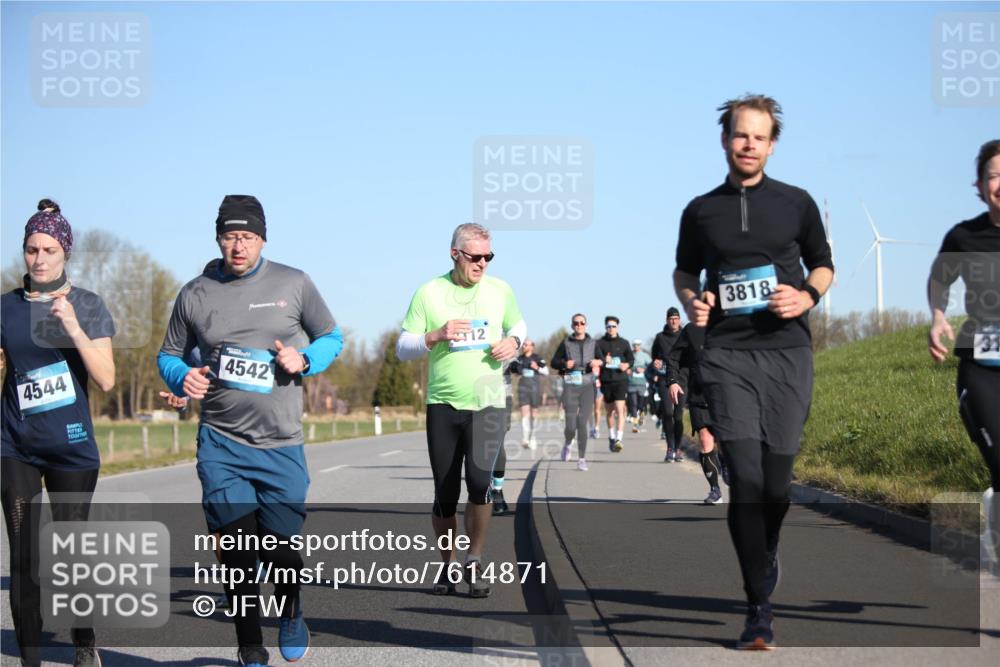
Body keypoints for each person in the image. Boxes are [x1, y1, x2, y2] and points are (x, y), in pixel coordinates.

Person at [673, 95, 834, 650]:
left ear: (771, 144)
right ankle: (758, 609)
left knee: (776, 485)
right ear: (725, 140)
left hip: (788, 353)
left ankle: (766, 550)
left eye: (759, 137)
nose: (749, 144)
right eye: (741, 135)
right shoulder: (701, 211)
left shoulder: (797, 203)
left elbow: (824, 263)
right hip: (726, 355)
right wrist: (694, 300)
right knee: (745, 481)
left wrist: (807, 295)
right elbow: (683, 271)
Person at [158, 195, 343, 667]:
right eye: (229, 236)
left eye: (247, 236)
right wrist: (184, 377)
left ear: (262, 238)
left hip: (281, 443)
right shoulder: (195, 293)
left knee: (280, 551)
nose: (238, 246)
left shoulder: (294, 283)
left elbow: (331, 338)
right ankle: (248, 646)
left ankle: (292, 610)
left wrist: (303, 359)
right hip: (222, 441)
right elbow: (169, 355)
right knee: (238, 550)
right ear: (217, 238)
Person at [1, 200, 115, 667]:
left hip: (72, 451)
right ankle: (29, 657)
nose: (39, 258)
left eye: (49, 249)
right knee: (24, 556)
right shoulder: (5, 308)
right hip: (14, 448)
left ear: (65, 252)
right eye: (31, 249)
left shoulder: (87, 304)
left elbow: (106, 378)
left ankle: (84, 641)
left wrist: (72, 326)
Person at [396, 223, 525, 597]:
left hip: (487, 404)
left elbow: (519, 324)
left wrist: (514, 341)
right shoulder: (429, 292)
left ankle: (475, 558)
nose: (482, 263)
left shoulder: (501, 290)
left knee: (481, 485)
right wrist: (434, 335)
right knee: (445, 493)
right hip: (443, 404)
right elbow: (403, 347)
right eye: (475, 257)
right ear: (455, 254)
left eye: (488, 256)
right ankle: (448, 564)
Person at [928, 139, 1000, 566]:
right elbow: (939, 279)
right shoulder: (964, 235)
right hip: (983, 368)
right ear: (978, 185)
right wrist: (938, 316)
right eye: (994, 175)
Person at [667, 323, 728, 504]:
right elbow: (673, 357)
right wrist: (672, 381)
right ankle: (715, 490)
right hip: (699, 393)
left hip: (726, 394)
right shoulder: (691, 330)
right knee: (704, 439)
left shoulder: (732, 324)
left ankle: (725, 461)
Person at [550, 314, 602, 471]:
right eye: (576, 323)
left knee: (582, 423)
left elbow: (602, 360)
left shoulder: (593, 343)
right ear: (572, 326)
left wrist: (597, 362)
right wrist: (565, 363)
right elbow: (553, 362)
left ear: (586, 325)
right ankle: (567, 443)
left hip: (587, 386)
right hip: (571, 386)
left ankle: (581, 459)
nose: (579, 325)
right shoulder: (566, 343)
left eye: (582, 323)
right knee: (571, 426)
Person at [596, 316, 633, 453]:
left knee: (620, 410)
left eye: (613, 326)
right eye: (609, 326)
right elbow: (595, 359)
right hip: (606, 380)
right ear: (605, 327)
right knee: (609, 411)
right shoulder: (600, 343)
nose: (611, 328)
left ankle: (619, 439)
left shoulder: (624, 343)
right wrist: (603, 359)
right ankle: (611, 436)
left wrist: (627, 364)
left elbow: (631, 359)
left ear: (618, 327)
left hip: (620, 380)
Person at [652, 308, 685, 460]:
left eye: (676, 318)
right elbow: (655, 358)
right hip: (665, 379)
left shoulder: (686, 335)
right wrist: (656, 363)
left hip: (682, 378)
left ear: (679, 320)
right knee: (667, 412)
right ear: (667, 320)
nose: (674, 321)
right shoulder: (660, 337)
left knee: (678, 416)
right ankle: (669, 447)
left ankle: (678, 448)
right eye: (671, 318)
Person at [509, 339, 549, 450]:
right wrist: (517, 370)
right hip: (523, 388)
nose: (524, 346)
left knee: (534, 413)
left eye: (526, 344)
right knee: (524, 412)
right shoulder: (519, 359)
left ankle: (533, 437)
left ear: (532, 346)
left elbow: (546, 371)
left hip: (535, 388)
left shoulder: (537, 358)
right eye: (523, 344)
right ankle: (525, 438)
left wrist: (537, 368)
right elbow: (513, 370)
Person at [627, 339, 651, 433]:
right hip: (631, 383)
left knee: (641, 404)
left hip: (642, 383)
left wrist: (644, 369)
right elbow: (625, 365)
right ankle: (635, 424)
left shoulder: (645, 356)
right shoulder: (629, 355)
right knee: (633, 403)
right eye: (634, 345)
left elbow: (651, 366)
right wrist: (628, 369)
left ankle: (641, 415)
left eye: (638, 345)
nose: (636, 346)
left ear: (640, 346)